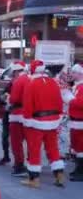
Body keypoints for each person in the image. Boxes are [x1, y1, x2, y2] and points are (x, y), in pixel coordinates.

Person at [21, 60, 65, 188]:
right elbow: (59, 101)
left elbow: (28, 104)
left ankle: (34, 178)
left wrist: (27, 120)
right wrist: (59, 115)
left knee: (34, 149)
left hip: (36, 122)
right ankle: (59, 174)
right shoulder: (53, 83)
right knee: (53, 148)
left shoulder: (31, 83)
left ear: (33, 70)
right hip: (53, 120)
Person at [8, 61, 29, 177]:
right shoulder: (30, 79)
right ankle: (32, 164)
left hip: (17, 115)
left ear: (16, 71)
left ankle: (19, 165)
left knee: (16, 142)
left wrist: (8, 99)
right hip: (28, 115)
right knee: (30, 141)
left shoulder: (18, 81)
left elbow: (14, 99)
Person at [67, 64, 83, 181]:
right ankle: (78, 168)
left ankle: (81, 171)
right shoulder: (77, 86)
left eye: (73, 72)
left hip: (80, 121)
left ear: (79, 73)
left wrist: (70, 99)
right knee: (76, 146)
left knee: (80, 146)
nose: (71, 74)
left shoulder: (81, 87)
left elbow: (81, 103)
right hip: (75, 121)